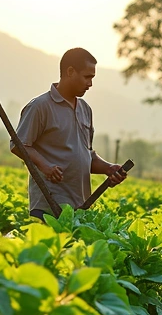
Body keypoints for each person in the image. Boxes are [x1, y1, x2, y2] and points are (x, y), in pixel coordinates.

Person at [11, 48, 127, 220]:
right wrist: (45, 166)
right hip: (49, 205)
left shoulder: (85, 109)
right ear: (70, 71)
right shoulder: (40, 106)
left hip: (80, 207)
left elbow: (86, 155)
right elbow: (18, 145)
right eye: (87, 77)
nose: (90, 84)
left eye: (92, 78)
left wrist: (108, 168)